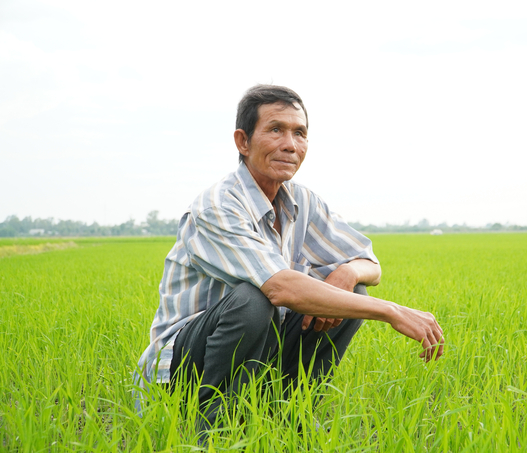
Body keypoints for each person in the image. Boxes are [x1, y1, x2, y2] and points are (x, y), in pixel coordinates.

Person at [135, 84, 444, 426]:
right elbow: (279, 287)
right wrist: (390, 311)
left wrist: (348, 274)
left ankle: (288, 416)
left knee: (350, 292)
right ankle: (214, 428)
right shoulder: (218, 205)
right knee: (252, 299)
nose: (290, 144)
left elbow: (370, 262)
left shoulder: (302, 201)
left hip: (259, 348)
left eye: (300, 133)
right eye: (276, 130)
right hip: (183, 368)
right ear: (243, 141)